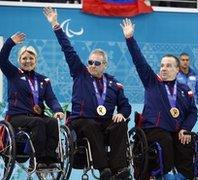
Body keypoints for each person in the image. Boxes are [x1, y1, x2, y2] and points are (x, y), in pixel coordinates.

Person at [43, 7, 132, 179]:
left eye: (97, 63)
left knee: (121, 124)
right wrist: (55, 24)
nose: (92, 65)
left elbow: (125, 105)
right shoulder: (80, 72)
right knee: (90, 125)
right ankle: (103, 169)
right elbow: (67, 49)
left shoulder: (114, 83)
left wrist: (121, 113)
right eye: (90, 61)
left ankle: (119, 169)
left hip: (105, 122)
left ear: (105, 65)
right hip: (81, 121)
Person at [121, 18, 198, 179]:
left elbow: (192, 112)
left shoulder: (185, 90)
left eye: (168, 65)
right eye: (162, 65)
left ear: (178, 70)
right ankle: (157, 174)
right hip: (154, 129)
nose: (163, 68)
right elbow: (139, 60)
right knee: (165, 141)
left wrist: (186, 129)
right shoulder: (152, 81)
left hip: (177, 130)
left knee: (189, 141)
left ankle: (186, 176)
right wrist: (130, 39)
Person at [0, 32, 64, 169]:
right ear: (19, 60)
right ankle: (38, 160)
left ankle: (49, 158)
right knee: (38, 122)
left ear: (36, 61)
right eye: (24, 58)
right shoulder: (13, 74)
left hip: (35, 117)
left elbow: (51, 99)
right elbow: (2, 59)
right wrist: (10, 42)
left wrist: (58, 110)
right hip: (17, 117)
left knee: (52, 121)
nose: (27, 61)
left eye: (31, 58)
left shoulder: (43, 80)